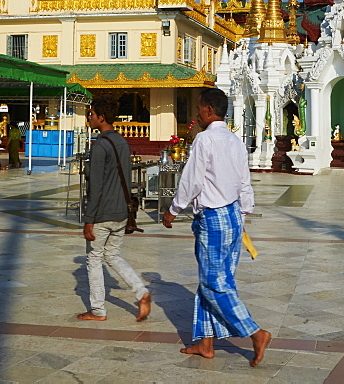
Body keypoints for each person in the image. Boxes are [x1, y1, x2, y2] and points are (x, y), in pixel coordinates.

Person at [162, 87, 271, 367]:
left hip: (214, 217)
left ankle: (255, 333)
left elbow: (192, 181)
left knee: (213, 283)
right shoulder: (234, 140)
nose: (197, 113)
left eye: (199, 108)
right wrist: (244, 214)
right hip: (233, 214)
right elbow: (244, 181)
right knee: (215, 279)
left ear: (209, 110)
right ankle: (206, 342)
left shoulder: (205, 139)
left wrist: (173, 209)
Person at [78, 96, 151, 322]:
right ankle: (141, 291)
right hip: (121, 211)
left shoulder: (100, 145)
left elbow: (96, 186)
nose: (88, 118)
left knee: (94, 259)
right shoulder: (121, 142)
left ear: (102, 117)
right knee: (112, 255)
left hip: (102, 214)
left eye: (91, 114)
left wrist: (89, 219)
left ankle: (98, 309)